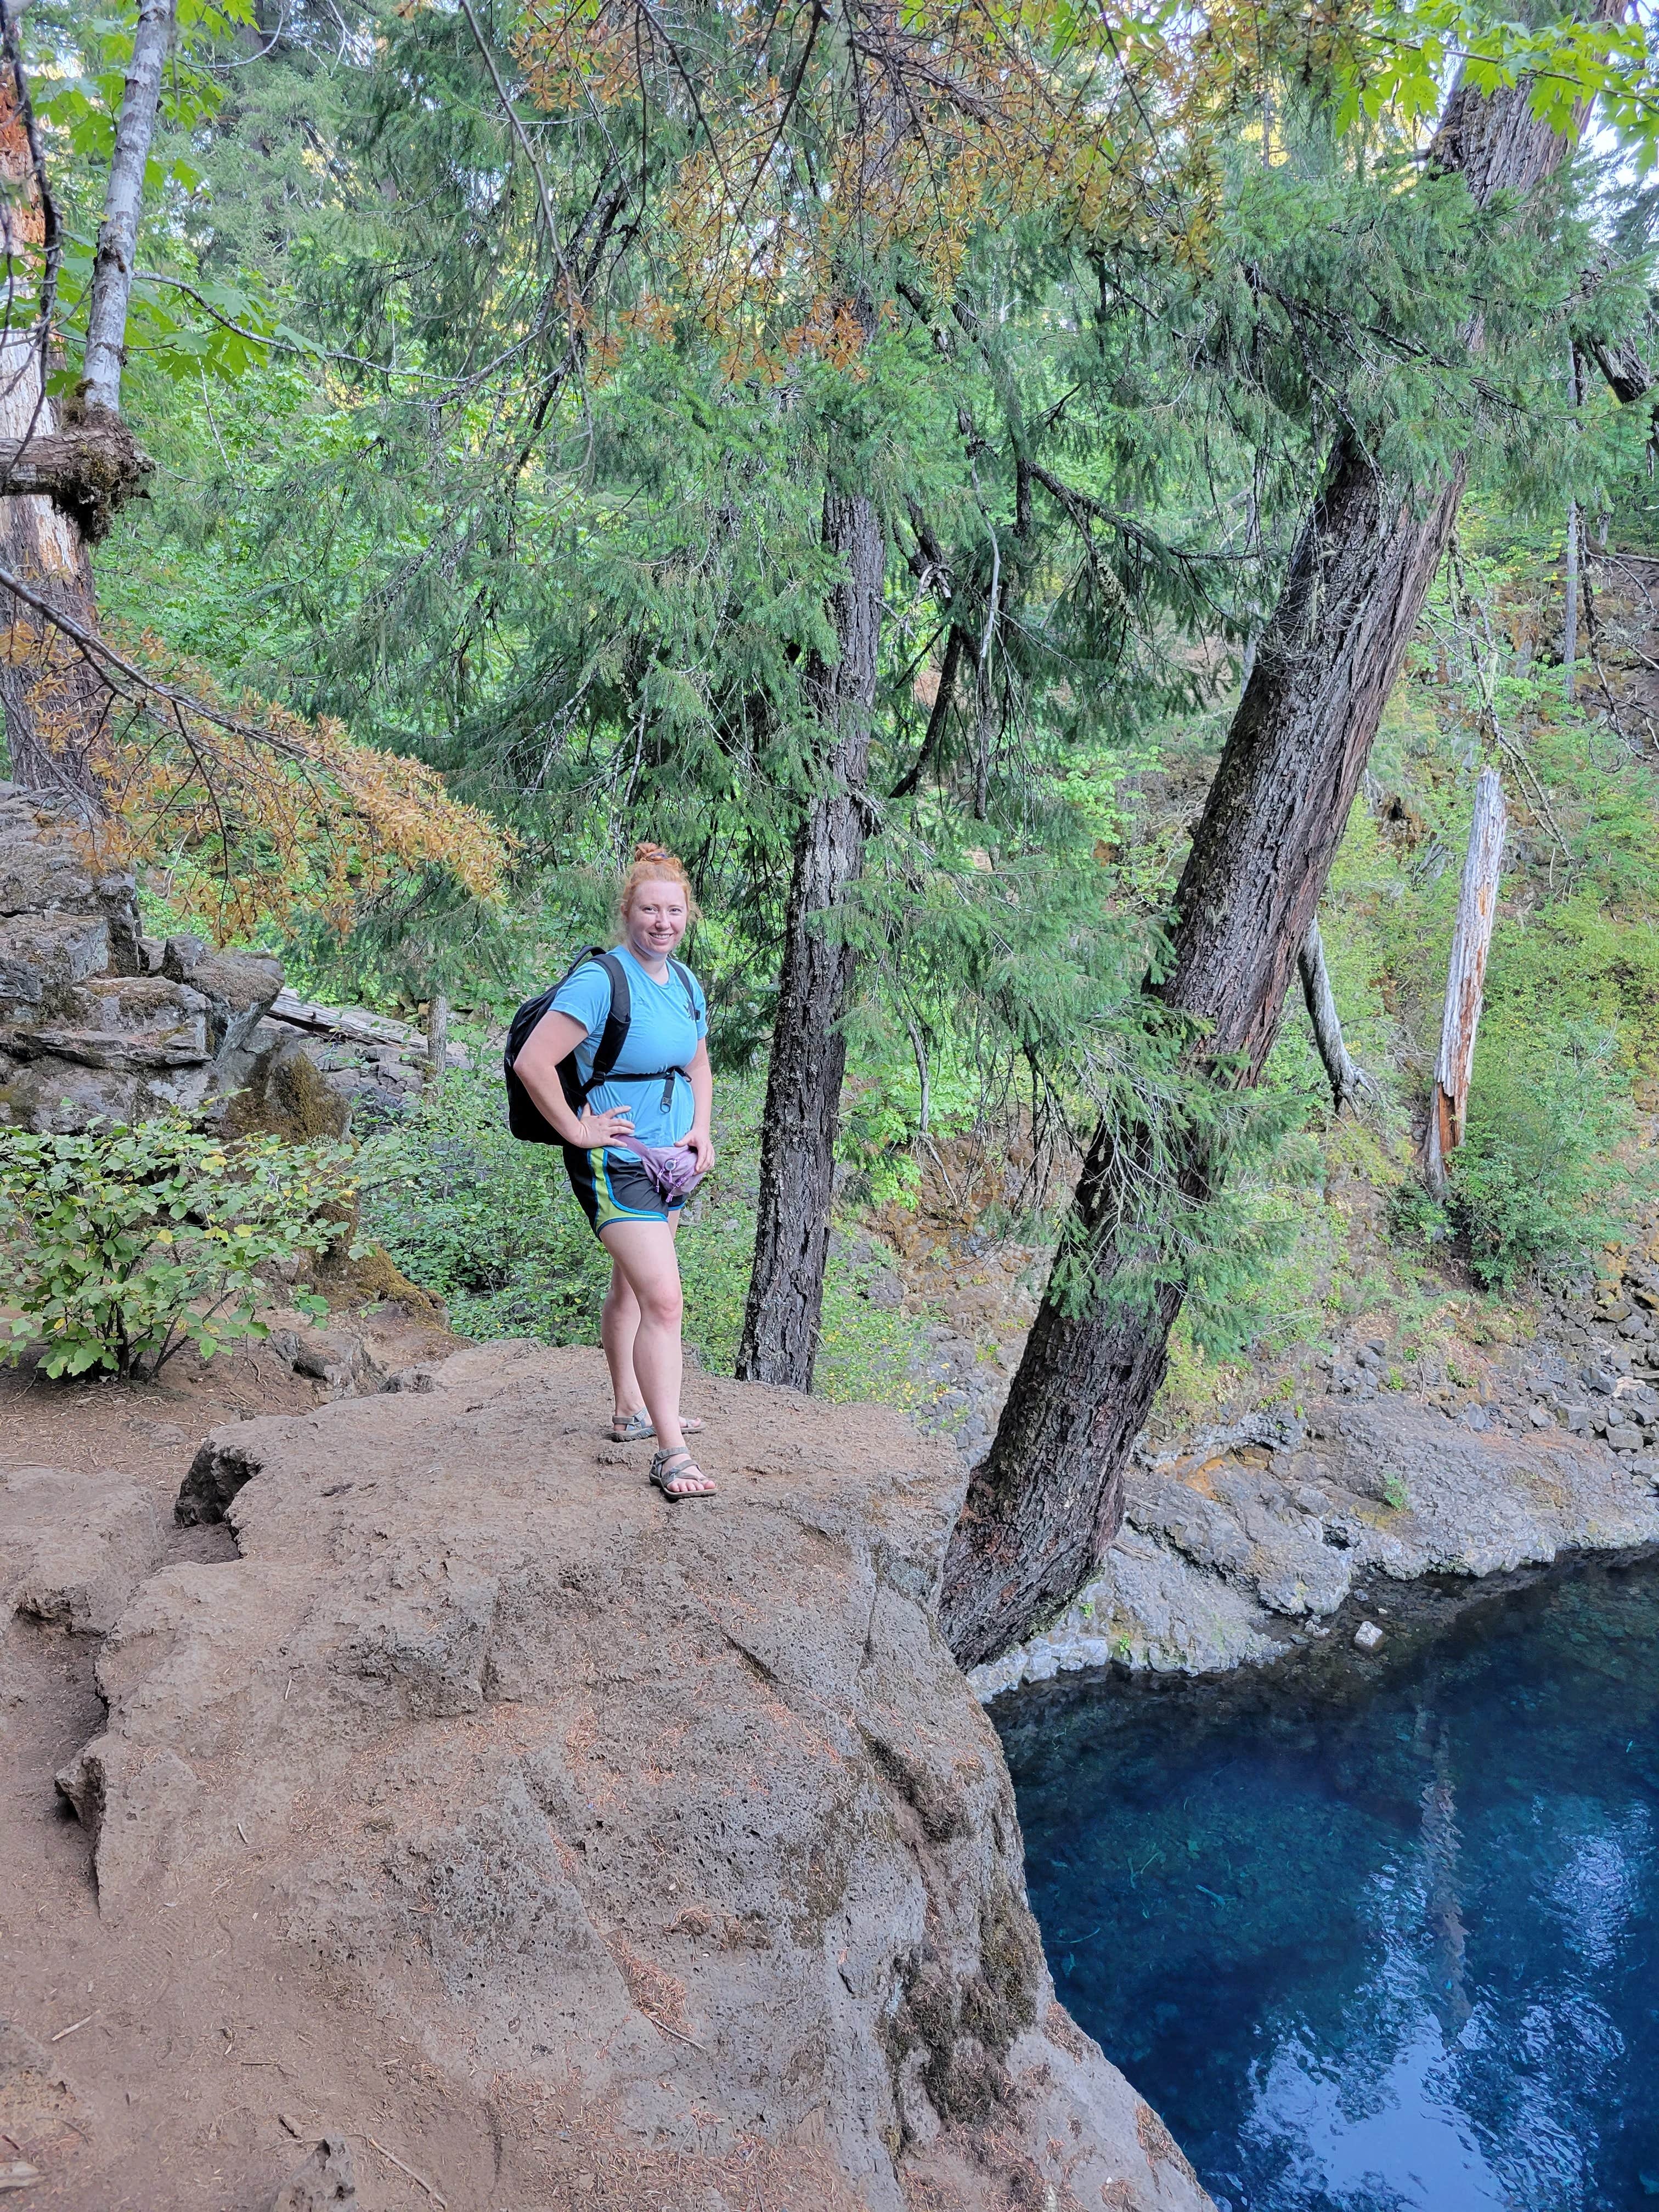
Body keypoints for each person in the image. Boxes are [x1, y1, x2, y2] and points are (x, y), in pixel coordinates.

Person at [512, 843, 716, 1499]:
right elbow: (534, 1062)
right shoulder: (602, 981)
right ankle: (671, 1453)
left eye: (675, 911)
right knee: (665, 1299)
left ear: (688, 916)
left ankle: (631, 1407)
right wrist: (576, 1129)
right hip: (616, 1161)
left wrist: (701, 1128)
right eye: (651, 910)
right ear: (627, 913)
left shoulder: (684, 983)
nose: (664, 922)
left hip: (671, 1160)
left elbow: (699, 1064)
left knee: (633, 1291)